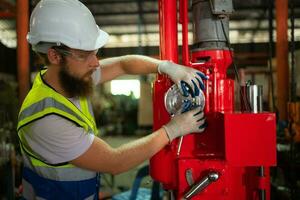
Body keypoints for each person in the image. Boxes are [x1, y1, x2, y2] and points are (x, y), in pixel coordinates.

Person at [17, 0, 207, 199]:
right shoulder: (46, 120)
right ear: (54, 56)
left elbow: (123, 65)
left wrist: (165, 66)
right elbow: (114, 162)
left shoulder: (72, 76)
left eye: (95, 52)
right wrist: (173, 129)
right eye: (84, 55)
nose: (95, 62)